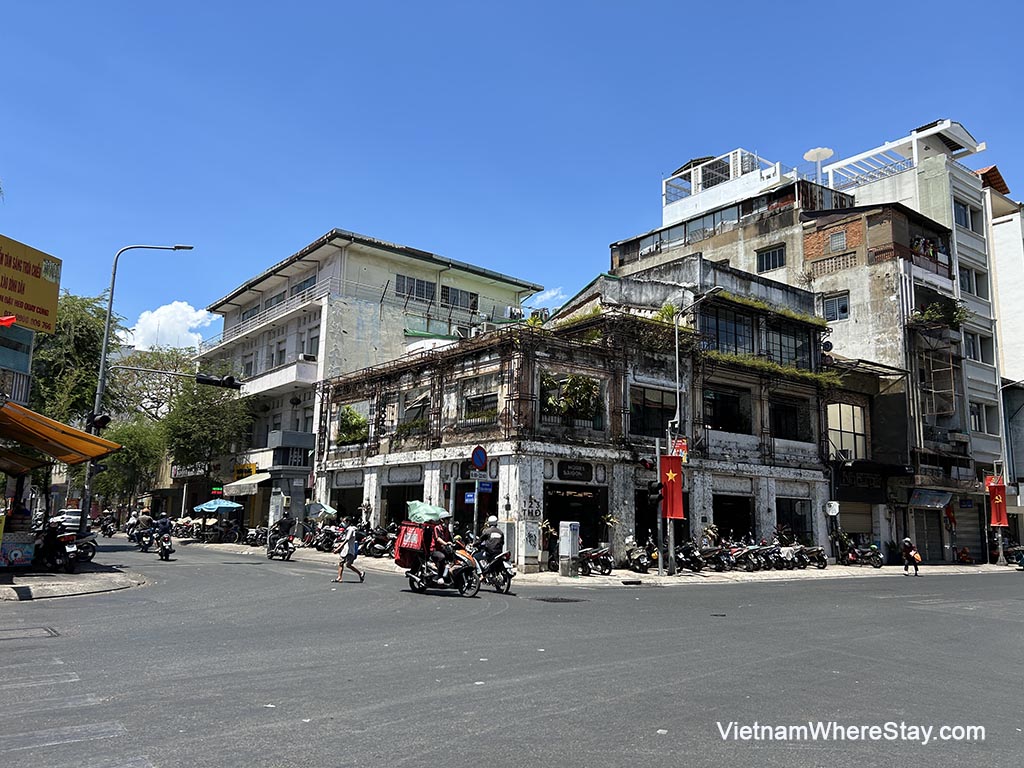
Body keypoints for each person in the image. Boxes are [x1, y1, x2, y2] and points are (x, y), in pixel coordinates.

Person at [431, 514, 454, 582]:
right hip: (434, 550)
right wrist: (446, 543)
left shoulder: (446, 529)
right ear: (442, 520)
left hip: (443, 549)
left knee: (452, 557)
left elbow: (451, 539)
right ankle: (439, 576)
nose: (448, 521)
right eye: (447, 519)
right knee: (442, 557)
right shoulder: (437, 528)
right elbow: (438, 539)